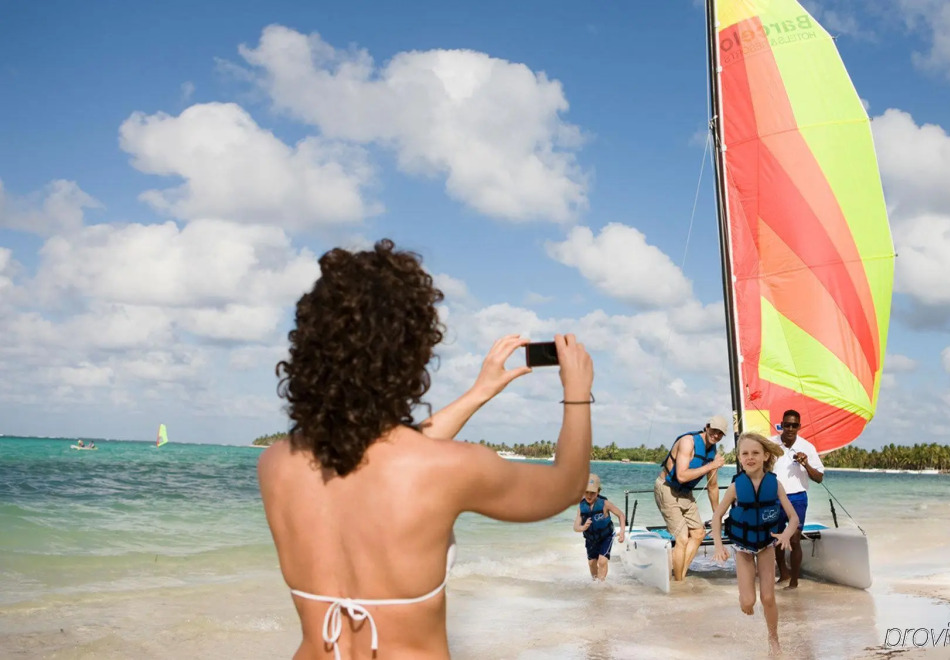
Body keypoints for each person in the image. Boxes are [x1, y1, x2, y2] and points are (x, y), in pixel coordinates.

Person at [257, 240, 594, 660]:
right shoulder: (449, 468)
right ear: (411, 353)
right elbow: (566, 485)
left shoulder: (275, 462)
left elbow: (381, 451)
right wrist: (578, 395)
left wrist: (479, 392)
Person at [713, 432, 799, 656]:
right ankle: (745, 601)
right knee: (748, 601)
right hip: (742, 547)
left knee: (768, 597)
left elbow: (794, 518)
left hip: (766, 545)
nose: (750, 458)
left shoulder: (775, 484)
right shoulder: (736, 487)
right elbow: (716, 517)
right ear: (739, 458)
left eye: (755, 453)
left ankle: (773, 639)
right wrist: (718, 546)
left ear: (765, 456)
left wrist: (786, 534)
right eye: (745, 454)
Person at [654, 415, 727, 582]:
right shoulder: (689, 442)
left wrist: (717, 515)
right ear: (707, 427)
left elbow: (713, 486)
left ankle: (679, 576)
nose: (716, 435)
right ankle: (679, 585)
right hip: (667, 489)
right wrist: (711, 465)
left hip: (686, 494)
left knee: (699, 533)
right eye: (714, 430)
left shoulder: (713, 453)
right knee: (682, 539)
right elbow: (681, 476)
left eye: (720, 433)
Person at [769, 409, 824, 588]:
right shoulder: (771, 444)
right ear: (781, 425)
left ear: (799, 426)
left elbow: (819, 478)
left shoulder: (807, 447)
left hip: (797, 498)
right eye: (787, 425)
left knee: (794, 539)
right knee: (777, 538)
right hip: (774, 497)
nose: (790, 428)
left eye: (794, 425)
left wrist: (805, 463)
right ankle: (783, 573)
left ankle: (794, 581)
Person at [573, 473, 626, 581]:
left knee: (602, 561)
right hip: (591, 538)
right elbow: (576, 527)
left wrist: (622, 532)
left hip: (606, 536)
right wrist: (583, 528)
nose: (589, 495)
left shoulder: (605, 504)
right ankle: (595, 583)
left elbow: (621, 515)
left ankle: (601, 584)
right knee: (592, 562)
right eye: (586, 492)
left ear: (598, 491)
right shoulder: (581, 507)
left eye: (592, 493)